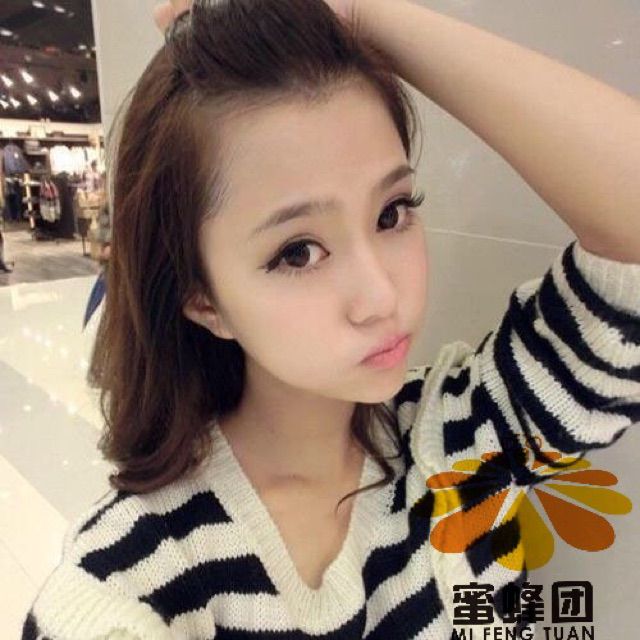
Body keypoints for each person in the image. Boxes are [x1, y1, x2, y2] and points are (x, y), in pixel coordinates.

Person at [21, 0, 640, 638]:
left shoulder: (461, 433)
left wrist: (360, 12)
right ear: (203, 299)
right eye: (298, 252)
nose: (381, 296)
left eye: (392, 212)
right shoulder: (131, 580)